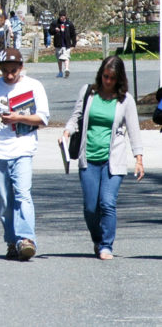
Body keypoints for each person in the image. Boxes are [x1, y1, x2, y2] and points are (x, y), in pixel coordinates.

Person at [59, 56, 144, 260]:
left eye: (112, 78)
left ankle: (106, 245)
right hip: (88, 158)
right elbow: (76, 117)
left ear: (119, 79)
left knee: (107, 203)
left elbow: (134, 131)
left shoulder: (126, 100)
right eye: (105, 76)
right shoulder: (88, 92)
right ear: (101, 74)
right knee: (90, 207)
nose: (108, 81)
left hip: (113, 161)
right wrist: (67, 131)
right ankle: (97, 239)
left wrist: (138, 159)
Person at [0, 48, 49, 261]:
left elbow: (43, 118)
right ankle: (12, 241)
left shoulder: (34, 86)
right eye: (5, 71)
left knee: (23, 195)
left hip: (22, 149)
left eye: (14, 70)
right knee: (4, 201)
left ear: (21, 67)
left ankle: (26, 240)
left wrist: (19, 118)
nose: (9, 75)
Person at [49, 10, 76, 78]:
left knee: (66, 56)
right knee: (59, 58)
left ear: (65, 16)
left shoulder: (69, 23)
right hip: (58, 43)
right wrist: (55, 30)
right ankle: (60, 72)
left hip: (67, 44)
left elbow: (73, 34)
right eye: (61, 17)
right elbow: (50, 31)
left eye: (63, 16)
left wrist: (74, 43)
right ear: (59, 17)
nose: (62, 18)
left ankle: (66, 69)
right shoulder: (55, 23)